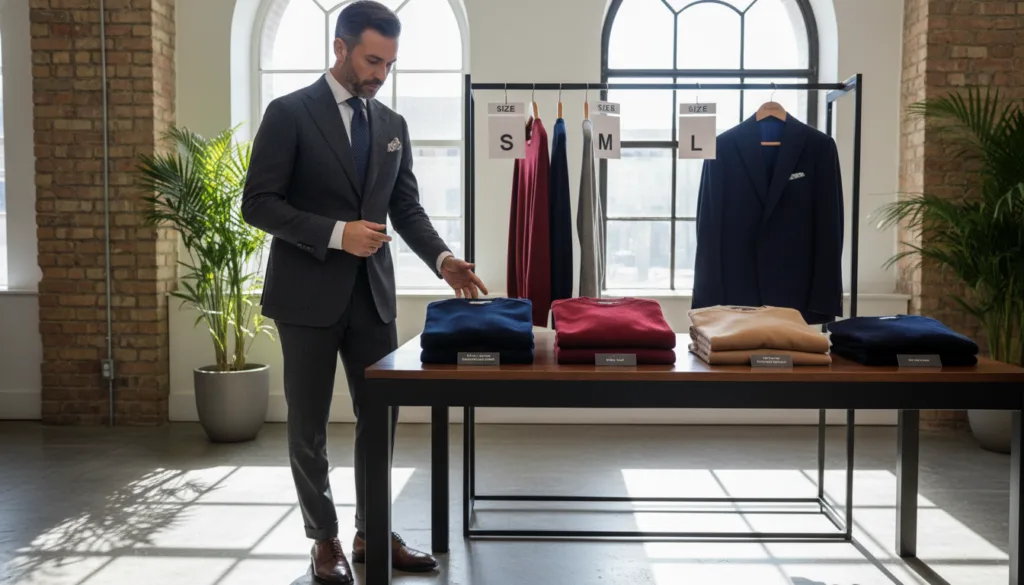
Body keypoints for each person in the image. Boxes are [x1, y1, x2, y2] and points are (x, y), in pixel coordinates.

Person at [241, 1, 487, 583]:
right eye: (373, 61)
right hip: (305, 296)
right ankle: (323, 539)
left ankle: (371, 532)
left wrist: (444, 260)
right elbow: (259, 204)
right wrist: (336, 234)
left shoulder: (392, 125)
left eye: (389, 64)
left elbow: (406, 208)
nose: (381, 74)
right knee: (308, 425)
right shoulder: (289, 113)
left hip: (372, 295)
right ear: (340, 47)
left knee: (381, 418)